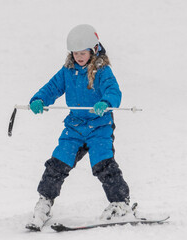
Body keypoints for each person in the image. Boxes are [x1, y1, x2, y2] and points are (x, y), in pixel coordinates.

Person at [26, 24, 134, 231]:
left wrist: (106, 103)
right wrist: (39, 99)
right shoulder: (67, 71)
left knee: (104, 164)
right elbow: (52, 87)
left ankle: (120, 203)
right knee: (57, 164)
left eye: (83, 53)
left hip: (99, 126)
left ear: (93, 50)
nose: (79, 57)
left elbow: (113, 90)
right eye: (75, 53)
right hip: (75, 126)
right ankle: (45, 202)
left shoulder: (102, 71)